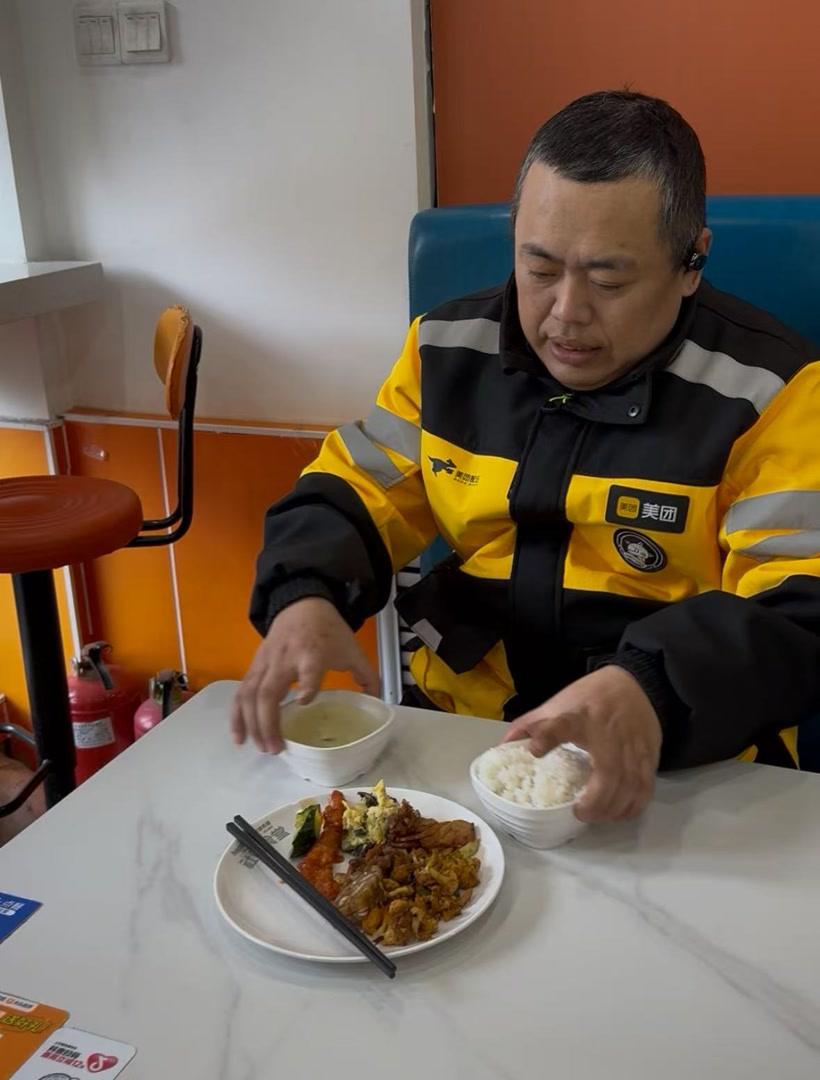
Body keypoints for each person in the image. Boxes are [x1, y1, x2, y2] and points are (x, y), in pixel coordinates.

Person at [231, 90, 820, 823]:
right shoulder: (446, 350)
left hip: (677, 764)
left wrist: (649, 686)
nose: (566, 312)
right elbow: (358, 486)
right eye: (538, 269)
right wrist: (304, 593)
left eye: (608, 281)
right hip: (468, 740)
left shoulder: (772, 393)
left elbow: (798, 607)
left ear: (691, 262)